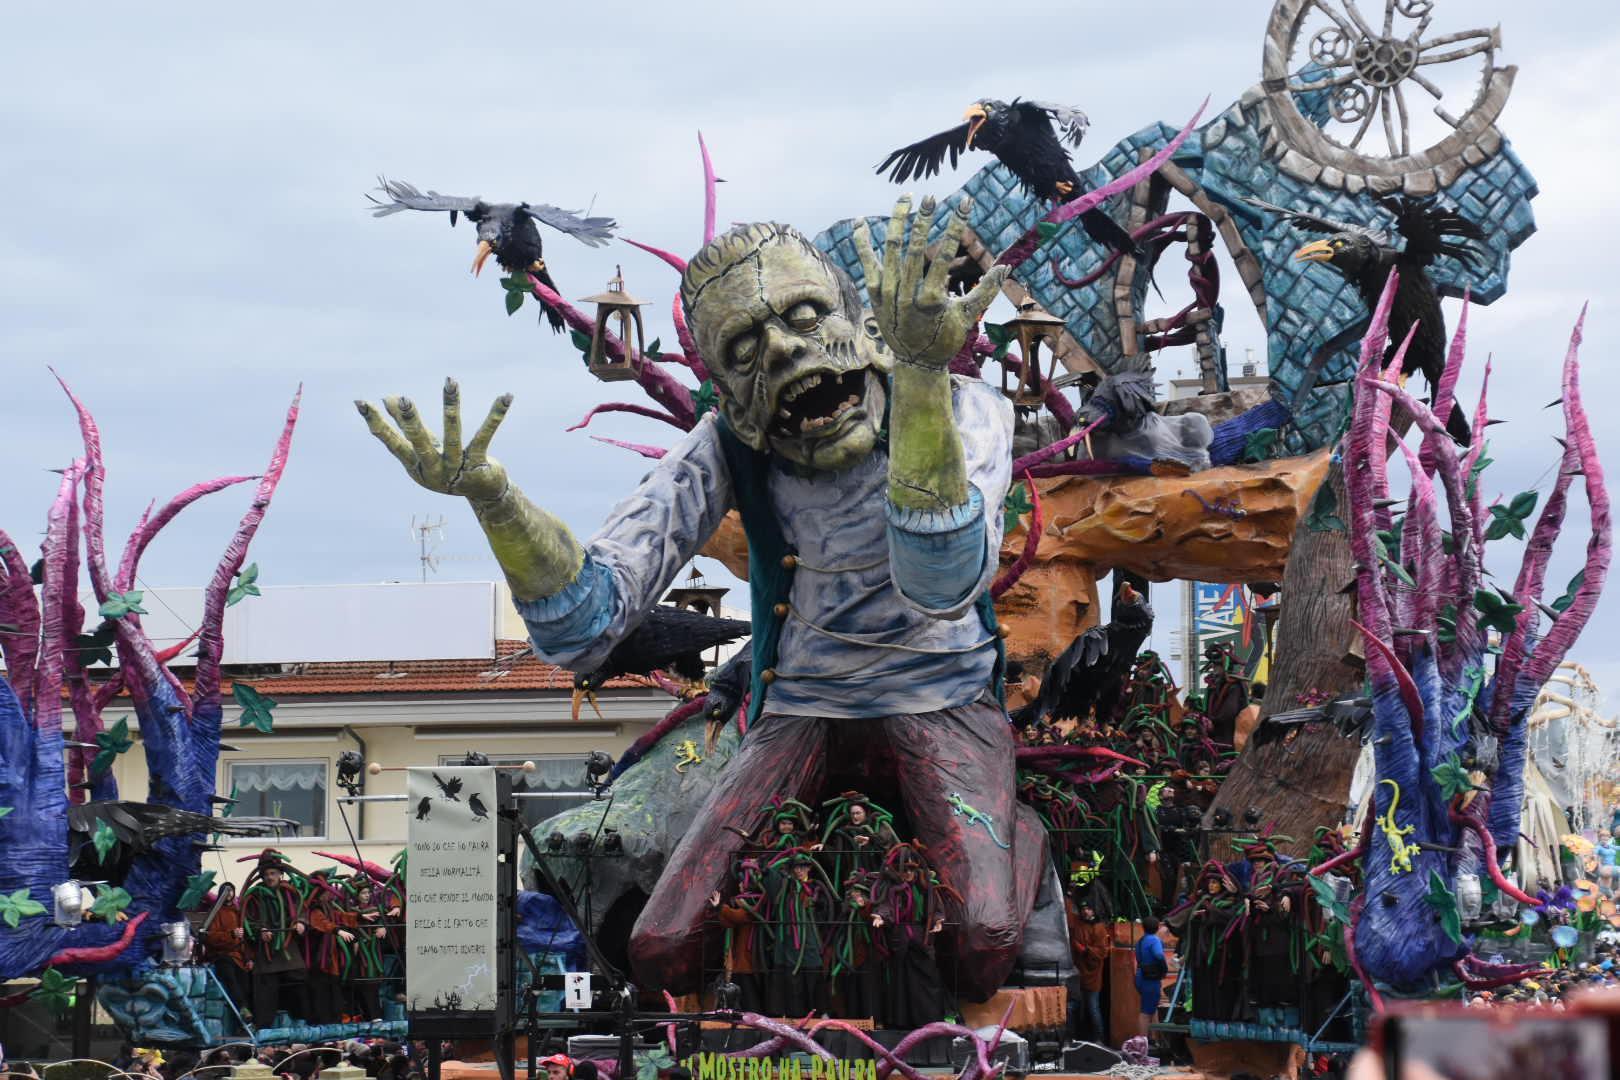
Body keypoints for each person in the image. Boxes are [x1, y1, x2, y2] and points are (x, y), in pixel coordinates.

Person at [359, 200, 1045, 1003]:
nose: (785, 351)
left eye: (803, 316)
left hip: (945, 699)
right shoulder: (724, 445)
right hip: (801, 711)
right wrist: (498, 503)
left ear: (858, 321)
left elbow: (941, 578)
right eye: (745, 349)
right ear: (726, 391)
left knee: (984, 939)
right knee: (665, 942)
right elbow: (586, 620)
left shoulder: (965, 408)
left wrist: (924, 378)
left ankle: (1018, 838)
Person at [201, 883, 253, 1020]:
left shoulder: (239, 912)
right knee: (229, 976)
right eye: (225, 890)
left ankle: (244, 1019)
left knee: (246, 985)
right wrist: (231, 934)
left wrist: (248, 958)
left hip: (238, 957)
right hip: (221, 955)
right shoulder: (214, 913)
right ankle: (242, 1008)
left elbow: (245, 940)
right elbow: (209, 937)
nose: (228, 893)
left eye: (231, 890)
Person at [1065, 896, 1110, 1044]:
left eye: (1088, 909)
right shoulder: (1078, 924)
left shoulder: (1099, 928)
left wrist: (1085, 950)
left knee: (1092, 1007)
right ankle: (1077, 1037)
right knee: (1076, 1007)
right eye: (1083, 909)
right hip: (1077, 973)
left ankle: (1099, 1038)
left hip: (1092, 974)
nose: (1086, 912)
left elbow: (1102, 952)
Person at [1133, 916, 1168, 1043]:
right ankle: (1142, 1043)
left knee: (1152, 1008)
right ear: (1157, 927)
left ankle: (1155, 1038)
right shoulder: (1154, 940)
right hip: (1150, 979)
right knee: (1146, 1012)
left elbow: (1137, 958)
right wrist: (1164, 968)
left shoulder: (1140, 941)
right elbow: (1158, 954)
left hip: (1140, 976)